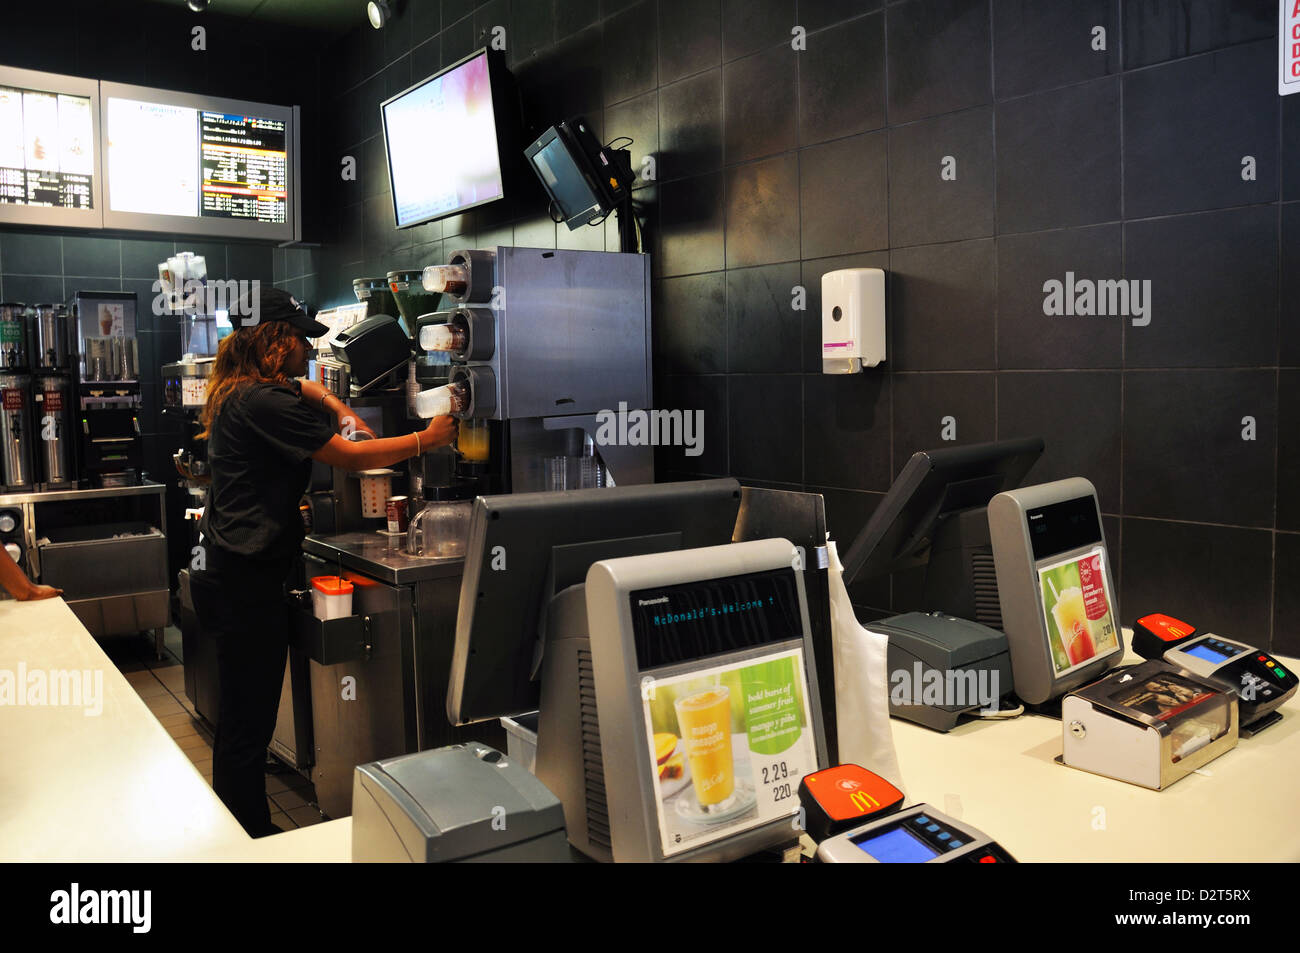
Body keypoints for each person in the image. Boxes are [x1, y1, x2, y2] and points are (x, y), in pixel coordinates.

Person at [190, 287, 455, 837]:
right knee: (246, 726)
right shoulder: (264, 402)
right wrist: (425, 439)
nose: (308, 353)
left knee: (244, 719)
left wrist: (338, 406)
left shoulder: (243, 390)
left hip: (230, 574)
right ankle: (249, 841)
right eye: (300, 341)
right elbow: (350, 458)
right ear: (274, 340)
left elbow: (307, 387)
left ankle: (243, 832)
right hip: (245, 583)